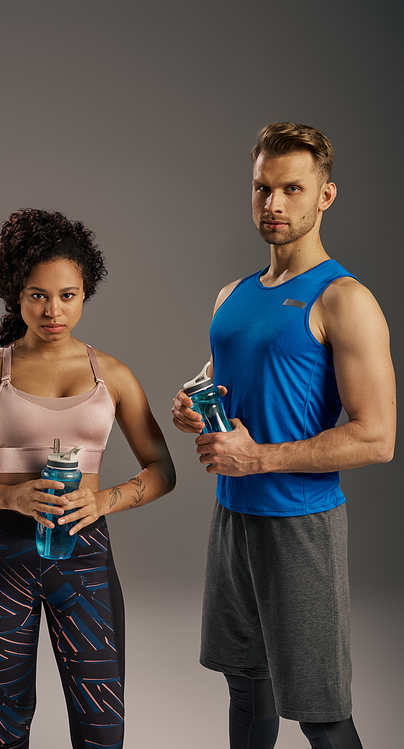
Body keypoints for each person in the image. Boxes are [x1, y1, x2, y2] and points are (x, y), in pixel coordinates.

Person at [172, 123, 396, 749]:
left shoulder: (344, 299)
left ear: (325, 195)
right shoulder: (233, 295)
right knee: (247, 687)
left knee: (320, 713)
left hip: (301, 524)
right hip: (234, 519)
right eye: (262, 189)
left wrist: (257, 456)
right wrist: (194, 400)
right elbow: (226, 377)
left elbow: (377, 437)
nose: (273, 205)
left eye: (292, 189)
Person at [0, 208, 175, 749]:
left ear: (85, 294)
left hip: (83, 558)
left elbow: (162, 470)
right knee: (9, 719)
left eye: (67, 295)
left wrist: (106, 500)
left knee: (102, 727)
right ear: (16, 294)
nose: (52, 309)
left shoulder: (114, 375)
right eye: (37, 294)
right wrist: (8, 495)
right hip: (0, 558)